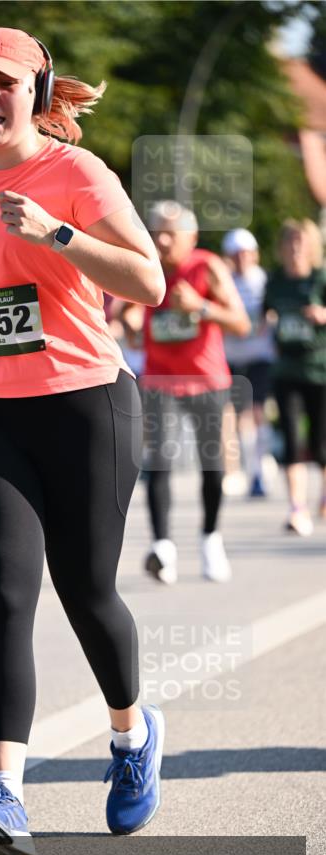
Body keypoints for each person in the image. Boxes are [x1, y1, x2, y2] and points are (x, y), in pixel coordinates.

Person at [0, 27, 167, 855]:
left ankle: (131, 739)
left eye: (3, 85)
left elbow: (148, 281)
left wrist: (58, 231)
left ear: (35, 91)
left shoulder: (77, 174)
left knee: (86, 591)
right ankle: (4, 795)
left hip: (85, 403)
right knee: (5, 598)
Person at [122, 202, 250, 585]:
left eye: (170, 235)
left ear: (191, 238)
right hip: (160, 380)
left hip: (206, 380)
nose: (161, 241)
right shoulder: (145, 265)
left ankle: (211, 538)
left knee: (212, 466)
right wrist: (129, 324)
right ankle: (163, 547)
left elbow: (242, 324)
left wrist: (202, 307)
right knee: (156, 463)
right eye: (156, 233)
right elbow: (128, 319)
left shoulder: (207, 266)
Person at [264, 219, 326, 536]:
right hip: (286, 370)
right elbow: (263, 315)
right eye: (289, 241)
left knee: (320, 443)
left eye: (300, 241)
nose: (295, 248)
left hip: (319, 369)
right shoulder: (275, 282)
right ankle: (296, 507)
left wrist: (322, 315)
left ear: (312, 245)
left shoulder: (321, 278)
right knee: (290, 438)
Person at [221, 228, 274, 498]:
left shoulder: (265, 281)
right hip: (230, 356)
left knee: (256, 412)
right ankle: (237, 470)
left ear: (254, 255)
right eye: (236, 254)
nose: (241, 259)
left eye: (246, 253)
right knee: (232, 415)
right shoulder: (224, 281)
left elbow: (273, 314)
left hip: (259, 355)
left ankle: (258, 470)